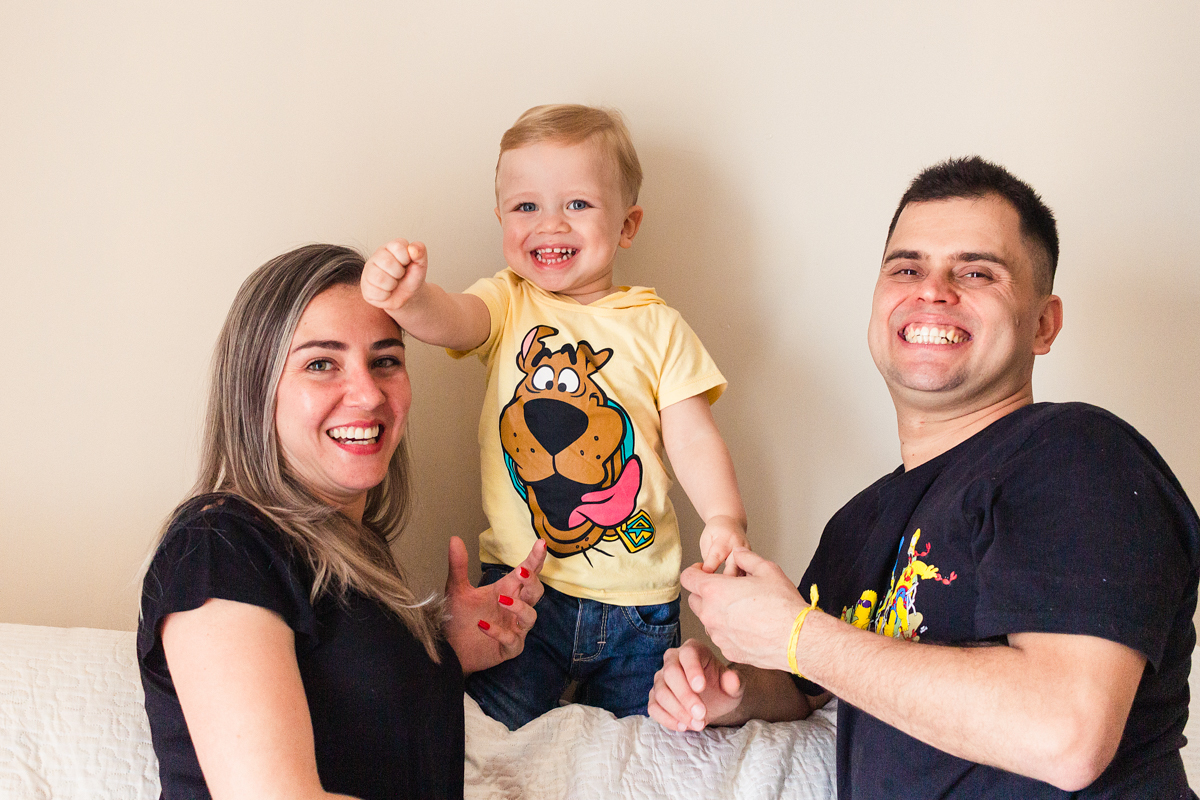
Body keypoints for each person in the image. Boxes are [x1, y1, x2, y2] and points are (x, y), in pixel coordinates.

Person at [648, 157, 1200, 798]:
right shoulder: (860, 521)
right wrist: (728, 690)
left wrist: (797, 636)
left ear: (1043, 324)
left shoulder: (1078, 453)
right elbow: (806, 687)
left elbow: (1065, 733)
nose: (932, 290)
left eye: (976, 272)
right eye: (907, 269)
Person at [359, 104, 749, 730]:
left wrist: (725, 517)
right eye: (526, 206)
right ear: (501, 219)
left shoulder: (658, 327)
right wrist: (409, 299)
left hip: (638, 601)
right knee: (490, 732)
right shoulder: (508, 301)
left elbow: (692, 436)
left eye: (577, 204)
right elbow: (451, 318)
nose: (550, 224)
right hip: (522, 589)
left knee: (648, 740)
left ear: (627, 224)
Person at [137, 243, 547, 800]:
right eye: (321, 364)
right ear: (256, 388)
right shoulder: (218, 545)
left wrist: (443, 651)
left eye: (386, 360)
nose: (369, 393)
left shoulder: (357, 563)